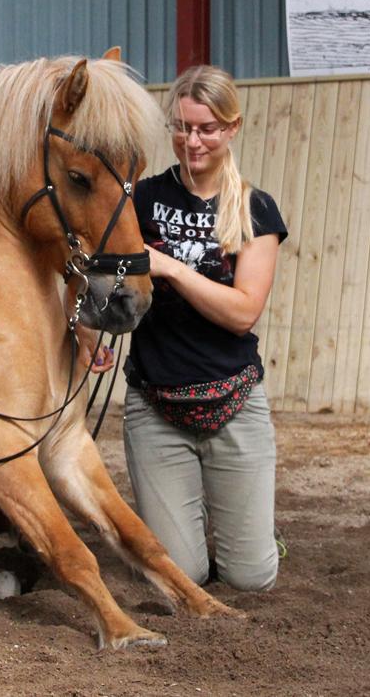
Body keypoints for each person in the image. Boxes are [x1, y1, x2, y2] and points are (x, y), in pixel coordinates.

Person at [83, 65, 286, 590]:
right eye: (180, 127)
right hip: (156, 408)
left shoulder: (255, 210)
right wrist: (87, 334)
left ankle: (259, 541)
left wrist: (171, 267)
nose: (191, 141)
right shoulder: (140, 201)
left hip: (235, 403)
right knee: (183, 576)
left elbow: (243, 312)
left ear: (232, 128)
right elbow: (91, 273)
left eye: (206, 129)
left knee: (252, 578)